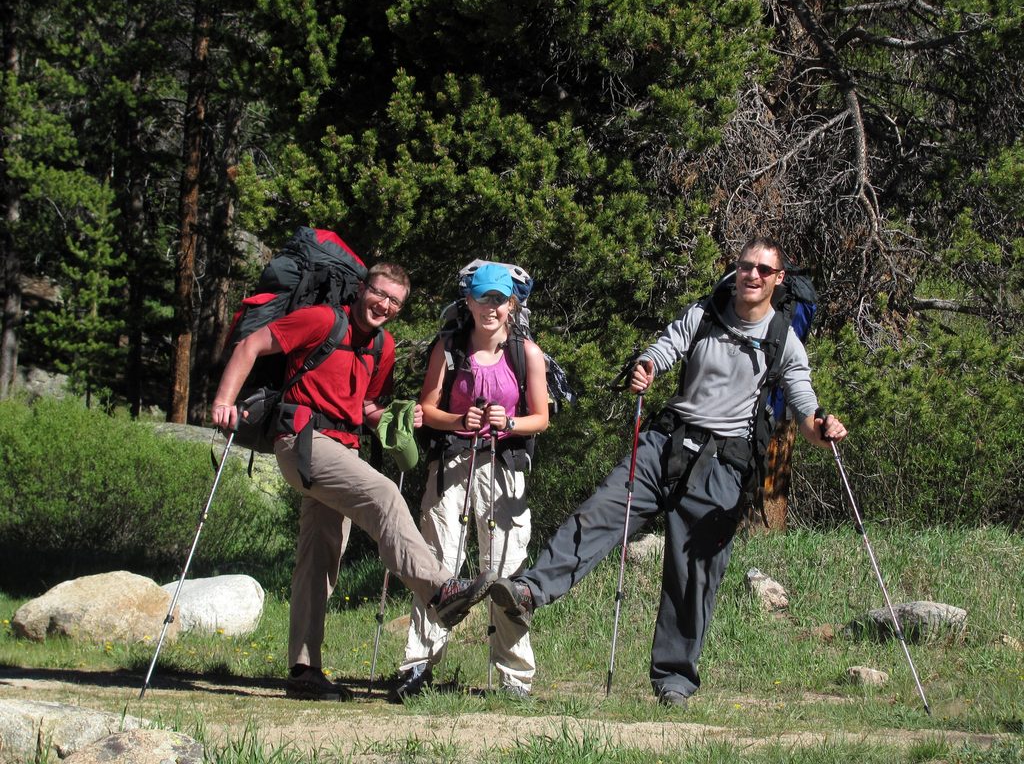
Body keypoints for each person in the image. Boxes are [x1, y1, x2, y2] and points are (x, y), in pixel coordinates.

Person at [486, 238, 848, 706]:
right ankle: (530, 591)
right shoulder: (705, 314)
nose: (752, 275)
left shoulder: (783, 340)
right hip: (666, 444)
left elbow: (802, 405)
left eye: (763, 269)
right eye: (745, 266)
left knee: (694, 571)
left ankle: (674, 679)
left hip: (723, 465)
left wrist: (822, 426)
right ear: (735, 270)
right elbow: (666, 346)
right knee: (599, 513)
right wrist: (647, 366)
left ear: (778, 279)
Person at [211, 260, 496, 701]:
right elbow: (252, 344)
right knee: (383, 493)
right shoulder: (322, 319)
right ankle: (439, 590)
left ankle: (303, 671)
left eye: (394, 301)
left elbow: (364, 407)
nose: (384, 305)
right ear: (362, 289)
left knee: (319, 556)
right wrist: (225, 401)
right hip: (303, 442)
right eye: (379, 294)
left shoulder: (383, 346)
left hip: (341, 449)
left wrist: (401, 416)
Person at [393, 264, 550, 701]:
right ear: (468, 302)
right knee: (438, 561)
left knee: (506, 570)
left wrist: (510, 421)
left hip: (505, 471)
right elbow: (428, 408)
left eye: (499, 300)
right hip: (453, 464)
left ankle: (514, 677)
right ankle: (418, 666)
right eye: (483, 299)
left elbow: (541, 418)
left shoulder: (527, 354)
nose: (491, 308)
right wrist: (461, 420)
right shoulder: (448, 349)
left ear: (512, 304)